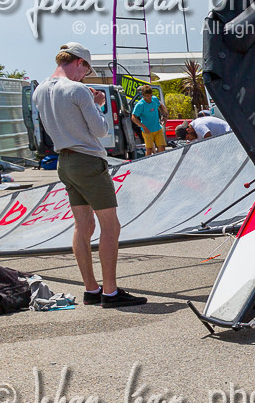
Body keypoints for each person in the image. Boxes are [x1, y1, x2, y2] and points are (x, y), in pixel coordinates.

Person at [31, 43, 147, 308]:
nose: (86, 76)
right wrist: (97, 105)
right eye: (87, 70)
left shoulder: (40, 91)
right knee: (110, 225)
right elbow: (100, 130)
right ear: (79, 62)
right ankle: (110, 292)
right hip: (87, 160)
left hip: (65, 161)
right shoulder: (77, 90)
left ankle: (91, 289)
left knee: (82, 226)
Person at [130, 85, 166, 155]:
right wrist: (142, 126)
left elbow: (161, 106)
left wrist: (164, 116)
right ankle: (147, 163)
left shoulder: (154, 99)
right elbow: (133, 117)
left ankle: (161, 163)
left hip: (157, 128)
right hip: (147, 131)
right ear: (143, 95)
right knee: (149, 149)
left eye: (150, 95)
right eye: (147, 96)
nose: (149, 98)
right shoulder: (140, 105)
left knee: (162, 147)